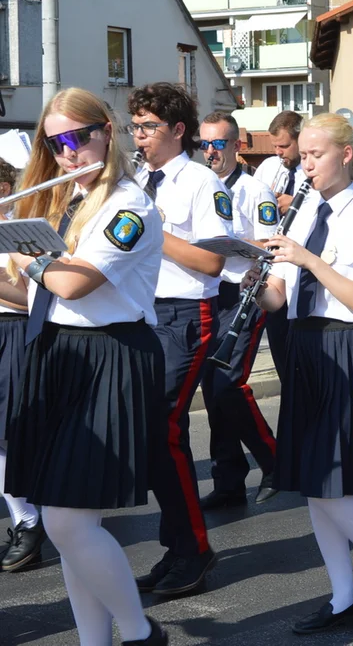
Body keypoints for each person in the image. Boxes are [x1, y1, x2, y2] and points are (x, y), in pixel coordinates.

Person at [2, 87, 168, 643]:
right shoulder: (67, 202)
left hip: (109, 358)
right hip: (59, 354)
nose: (68, 154)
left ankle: (142, 633)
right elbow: (40, 298)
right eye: (56, 144)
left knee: (68, 523)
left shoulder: (130, 205)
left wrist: (28, 259)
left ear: (106, 133)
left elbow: (71, 283)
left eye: (77, 138)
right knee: (71, 525)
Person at [251, 113, 353, 632]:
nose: (304, 162)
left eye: (315, 154)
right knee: (314, 483)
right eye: (304, 154)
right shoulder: (304, 213)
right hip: (305, 347)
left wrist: (309, 259)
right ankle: (341, 592)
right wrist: (248, 274)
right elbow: (278, 297)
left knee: (333, 481)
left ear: (344, 156)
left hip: (347, 347)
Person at [129, 82, 231, 596]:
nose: (139, 136)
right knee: (154, 438)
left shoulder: (201, 182)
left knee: (163, 430)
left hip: (187, 314)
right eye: (136, 127)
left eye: (148, 127)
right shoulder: (138, 180)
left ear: (177, 130)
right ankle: (179, 547)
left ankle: (195, 549)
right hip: (144, 314)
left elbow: (213, 261)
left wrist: (151, 231)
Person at [197, 112, 279, 510]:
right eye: (205, 144)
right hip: (208, 293)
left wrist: (232, 243)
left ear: (236, 146)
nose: (210, 152)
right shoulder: (200, 186)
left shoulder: (255, 190)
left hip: (244, 292)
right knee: (212, 388)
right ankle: (228, 478)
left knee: (228, 384)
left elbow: (268, 245)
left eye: (218, 144)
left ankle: (274, 460)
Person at [0, 158, 42, 574]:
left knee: (9, 432)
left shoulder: (21, 227)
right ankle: (25, 521)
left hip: (14, 331)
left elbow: (34, 296)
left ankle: (31, 523)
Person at [253, 110, 304, 379]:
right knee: (281, 351)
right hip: (274, 266)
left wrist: (295, 201)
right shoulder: (269, 168)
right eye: (275, 147)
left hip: (302, 267)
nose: (279, 152)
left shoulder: (312, 168)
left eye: (284, 146)